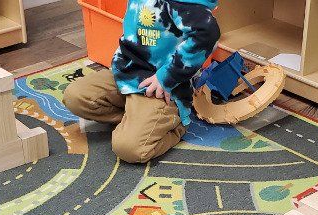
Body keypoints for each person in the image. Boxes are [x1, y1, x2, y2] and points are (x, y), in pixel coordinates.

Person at [63, 0, 220, 163]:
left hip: (161, 89)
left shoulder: (185, 6)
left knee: (130, 149)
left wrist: (167, 76)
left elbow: (208, 34)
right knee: (74, 97)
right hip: (127, 73)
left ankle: (174, 125)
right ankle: (136, 118)